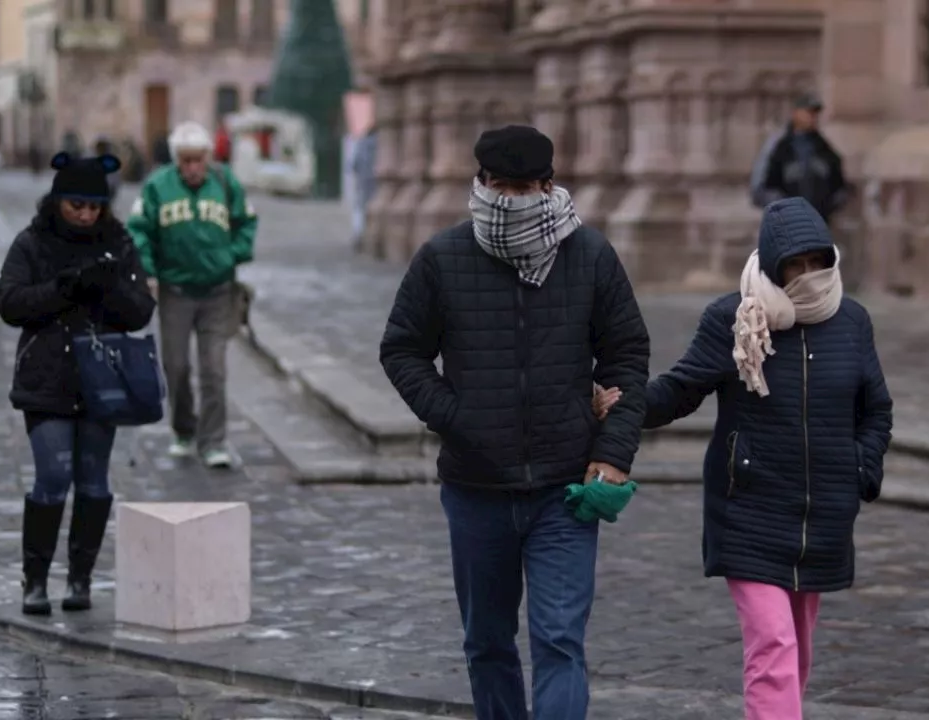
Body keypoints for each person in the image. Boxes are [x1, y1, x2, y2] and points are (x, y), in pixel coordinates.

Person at [379, 125, 651, 720]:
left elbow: (627, 354)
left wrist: (614, 451)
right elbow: (401, 349)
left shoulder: (590, 255)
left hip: (566, 487)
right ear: (479, 183)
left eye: (524, 187)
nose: (511, 201)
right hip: (476, 488)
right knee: (487, 643)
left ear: (548, 186)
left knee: (559, 640)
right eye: (500, 186)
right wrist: (456, 416)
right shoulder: (443, 258)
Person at [592, 197, 893, 720]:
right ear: (773, 264)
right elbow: (682, 389)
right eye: (793, 265)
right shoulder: (733, 318)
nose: (805, 276)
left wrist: (860, 471)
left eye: (814, 263)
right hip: (749, 510)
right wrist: (626, 403)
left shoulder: (851, 322)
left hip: (821, 516)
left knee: (795, 650)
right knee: (773, 646)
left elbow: (876, 410)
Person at [0, 152, 157, 616]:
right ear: (59, 201)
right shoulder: (33, 243)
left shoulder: (118, 242)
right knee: (52, 475)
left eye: (94, 207)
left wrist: (109, 288)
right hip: (46, 377)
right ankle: (36, 581)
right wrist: (62, 289)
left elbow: (142, 309)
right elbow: (9, 301)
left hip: (101, 379)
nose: (86, 215)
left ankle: (81, 579)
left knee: (93, 481)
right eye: (77, 206)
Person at [127, 121, 258, 469]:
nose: (192, 168)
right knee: (177, 366)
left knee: (214, 369)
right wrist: (149, 271)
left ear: (207, 158)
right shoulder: (157, 187)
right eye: (185, 161)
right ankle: (184, 429)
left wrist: (233, 255)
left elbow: (246, 222)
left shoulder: (225, 183)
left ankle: (213, 440)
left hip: (218, 291)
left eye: (198, 160)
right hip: (176, 292)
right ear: (176, 160)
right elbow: (139, 231)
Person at [749, 94, 849, 224]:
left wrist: (826, 207)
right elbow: (759, 189)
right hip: (786, 226)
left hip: (817, 225)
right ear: (796, 113)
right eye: (808, 112)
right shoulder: (778, 147)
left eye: (815, 113)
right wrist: (785, 208)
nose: (812, 117)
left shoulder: (824, 149)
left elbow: (840, 186)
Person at [349, 126, 378, 250]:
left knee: (360, 211)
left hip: (363, 184)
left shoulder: (362, 143)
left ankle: (359, 238)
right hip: (378, 184)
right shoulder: (381, 144)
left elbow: (354, 164)